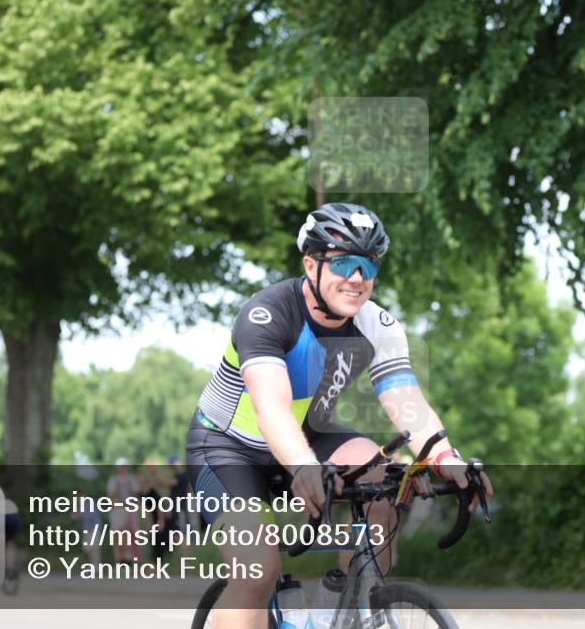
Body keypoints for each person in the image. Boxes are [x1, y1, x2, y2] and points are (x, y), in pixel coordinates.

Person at [186, 203, 494, 629]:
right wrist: (303, 466)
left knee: (384, 479)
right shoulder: (267, 315)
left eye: (368, 266)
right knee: (257, 569)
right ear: (310, 263)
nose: (357, 278)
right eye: (344, 263)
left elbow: (408, 405)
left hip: (307, 436)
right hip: (227, 447)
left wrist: (445, 457)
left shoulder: (378, 326)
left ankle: (349, 606)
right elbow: (271, 407)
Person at [106, 457, 141, 563]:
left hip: (130, 509)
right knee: (117, 534)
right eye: (122, 466)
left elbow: (136, 491)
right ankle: (120, 559)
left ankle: (129, 558)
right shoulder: (114, 479)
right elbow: (110, 495)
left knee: (130, 534)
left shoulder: (131, 478)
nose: (123, 468)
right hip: (117, 509)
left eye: (125, 466)